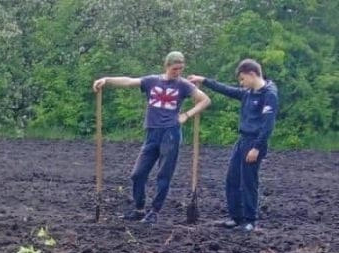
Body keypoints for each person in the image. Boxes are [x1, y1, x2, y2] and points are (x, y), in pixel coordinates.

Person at [93, 51, 210, 224]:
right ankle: (139, 209)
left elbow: (205, 100)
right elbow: (129, 81)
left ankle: (154, 211)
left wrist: (186, 115)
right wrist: (107, 80)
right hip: (152, 133)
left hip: (170, 133)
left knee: (163, 175)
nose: (177, 72)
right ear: (167, 66)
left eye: (180, 69)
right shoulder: (152, 81)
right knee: (137, 174)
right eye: (175, 69)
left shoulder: (184, 85)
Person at [188, 60, 278, 232]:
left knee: (249, 182)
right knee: (232, 179)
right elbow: (226, 89)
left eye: (242, 79)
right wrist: (204, 80)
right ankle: (236, 218)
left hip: (255, 143)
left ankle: (250, 221)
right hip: (242, 140)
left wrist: (257, 148)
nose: (241, 83)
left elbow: (268, 125)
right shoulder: (248, 92)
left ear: (252, 74)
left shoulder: (269, 94)